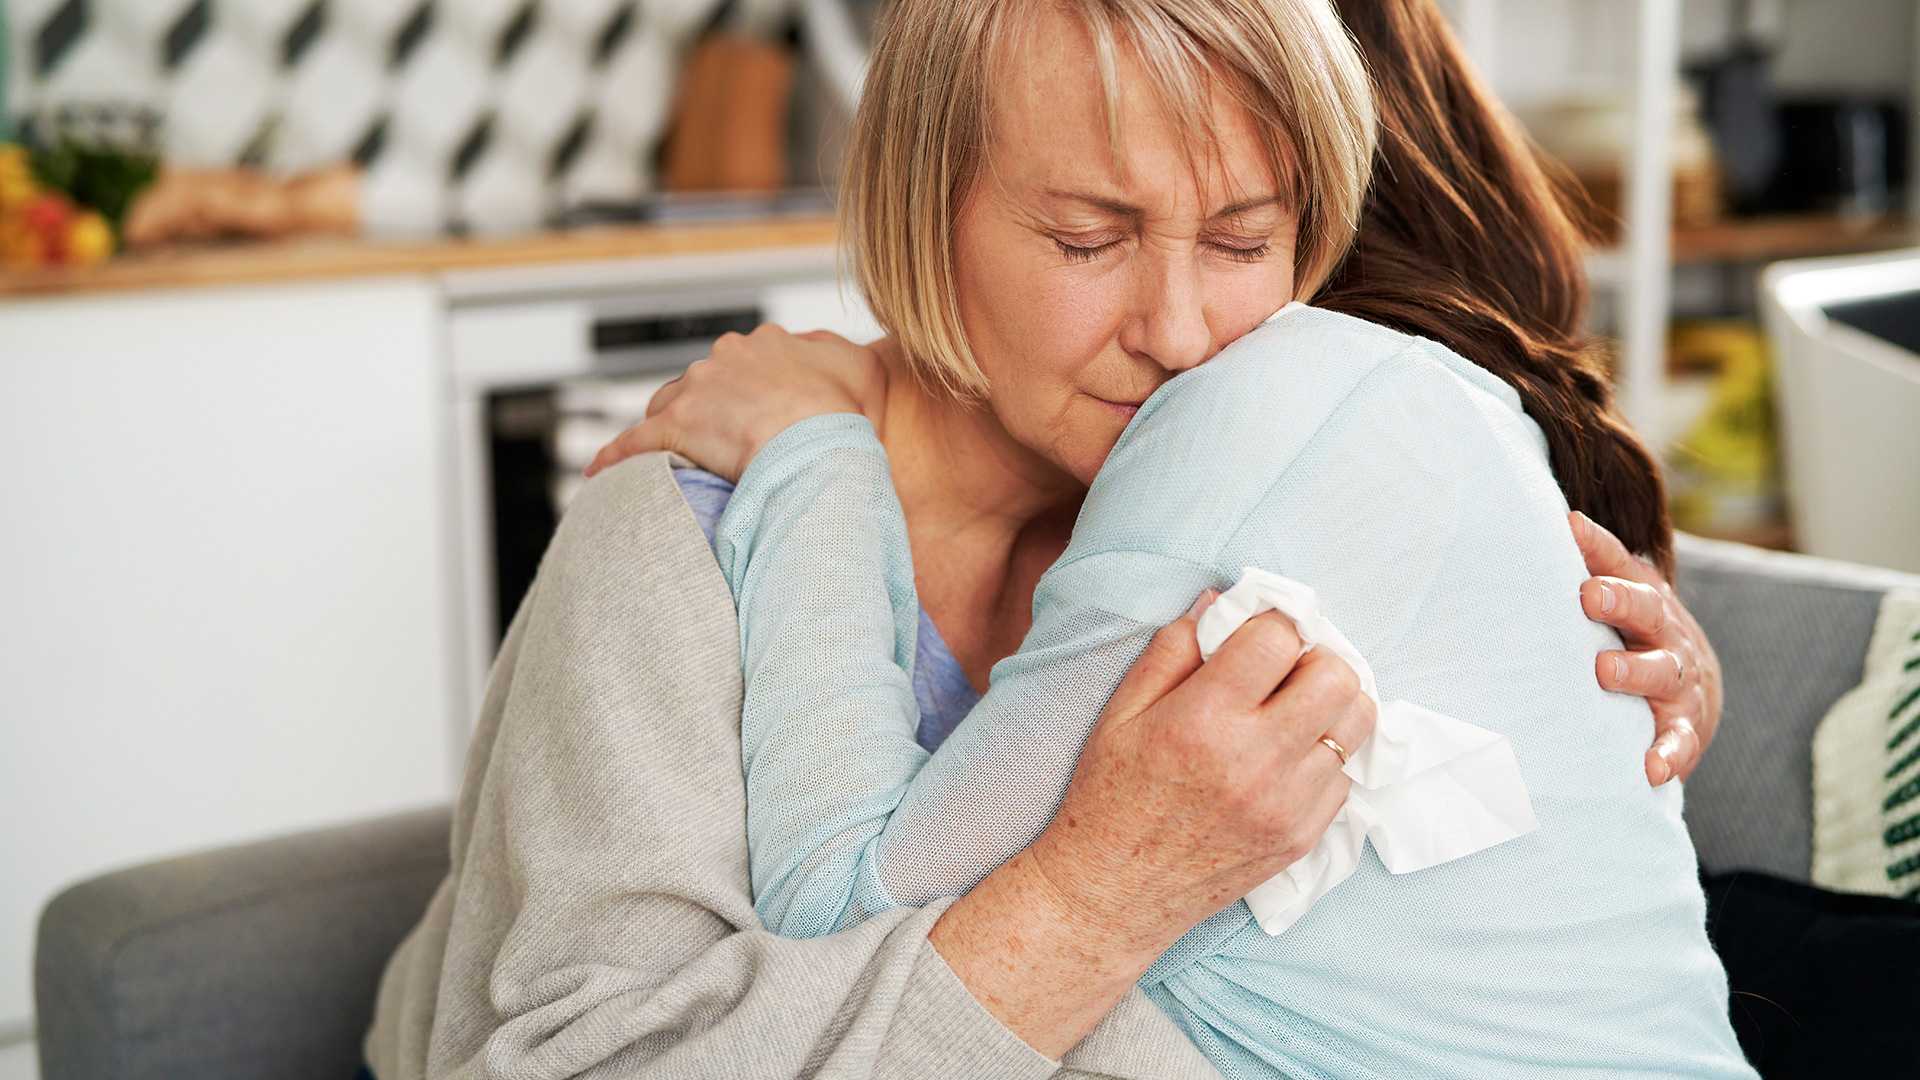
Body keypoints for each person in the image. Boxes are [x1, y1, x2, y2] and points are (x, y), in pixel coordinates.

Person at [365, 1, 1728, 1076]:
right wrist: (1098, 889)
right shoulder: (679, 539)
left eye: (1245, 241)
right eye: (1088, 241)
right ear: (923, 213)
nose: (1183, 333)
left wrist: (1620, 684)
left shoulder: (1256, 505)